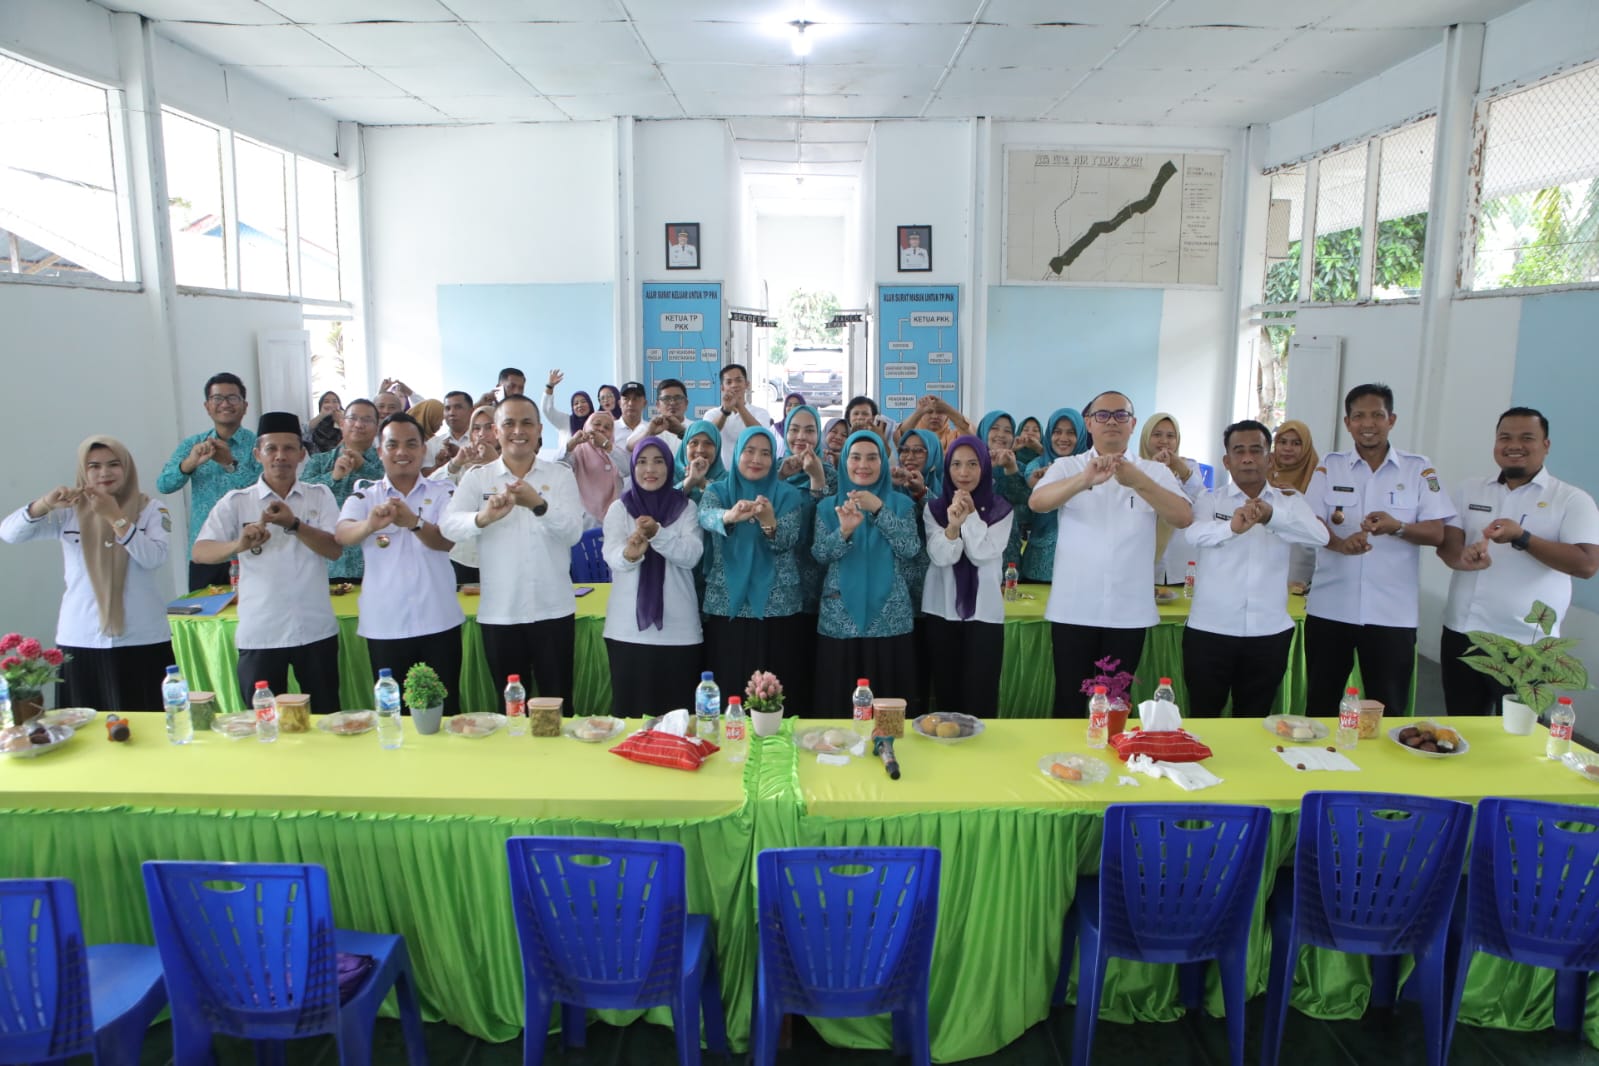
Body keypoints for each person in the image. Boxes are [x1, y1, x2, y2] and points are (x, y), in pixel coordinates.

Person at [1029, 391, 1193, 717]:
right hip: (1073, 607)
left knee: (1116, 702)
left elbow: (1182, 516)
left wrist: (1138, 481)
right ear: (1089, 423)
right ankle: (1066, 764)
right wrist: (1085, 479)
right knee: (1069, 701)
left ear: (1133, 424)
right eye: (1102, 415)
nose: (1112, 422)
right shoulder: (1069, 466)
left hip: (1128, 610)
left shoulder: (1153, 472)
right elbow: (1038, 502)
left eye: (1121, 415)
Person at [1304, 383, 1455, 716]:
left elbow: (1437, 532)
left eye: (1377, 415)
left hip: (1392, 614)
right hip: (1331, 608)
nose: (1367, 423)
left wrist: (1398, 527)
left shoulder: (1419, 469)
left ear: (1392, 420)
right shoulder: (1330, 466)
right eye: (1358, 416)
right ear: (1347, 423)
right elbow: (1310, 521)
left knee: (1389, 710)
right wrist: (1340, 544)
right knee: (1320, 705)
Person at [1437, 407, 1599, 715]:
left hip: (1526, 644)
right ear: (1495, 443)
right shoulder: (1470, 489)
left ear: (1546, 445)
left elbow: (1587, 564)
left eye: (1527, 438)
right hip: (1463, 632)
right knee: (1461, 729)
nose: (1514, 445)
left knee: (1517, 738)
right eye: (1505, 437)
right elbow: (1448, 546)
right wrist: (1462, 557)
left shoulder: (1571, 499)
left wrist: (1522, 537)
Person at [1, 437, 174, 711]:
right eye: (94, 466)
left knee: (147, 727)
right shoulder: (68, 512)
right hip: (82, 636)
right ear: (84, 470)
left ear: (127, 468)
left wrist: (116, 517)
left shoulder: (151, 509)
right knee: (86, 730)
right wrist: (43, 504)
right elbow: (8, 533)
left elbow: (153, 558)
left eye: (113, 464)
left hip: (142, 637)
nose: (104, 473)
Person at [440, 396, 582, 712]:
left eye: (526, 423)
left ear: (539, 429)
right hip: (500, 613)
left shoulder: (559, 476)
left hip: (552, 610)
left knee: (557, 706)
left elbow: (573, 532)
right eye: (509, 423)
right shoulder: (478, 478)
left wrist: (538, 505)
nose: (518, 431)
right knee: (510, 711)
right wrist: (483, 518)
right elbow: (448, 525)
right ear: (495, 431)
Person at [193, 413, 344, 712]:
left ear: (302, 454)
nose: (280, 457)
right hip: (261, 632)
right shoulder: (237, 501)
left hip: (314, 629)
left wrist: (295, 524)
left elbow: (335, 550)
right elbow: (200, 552)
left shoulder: (319, 495)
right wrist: (239, 545)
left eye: (289, 449)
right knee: (263, 725)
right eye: (271, 449)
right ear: (257, 454)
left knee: (326, 718)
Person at [1182, 421, 1328, 717]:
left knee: (1254, 717)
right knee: (1203, 716)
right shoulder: (1210, 499)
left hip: (1268, 632)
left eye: (1256, 450)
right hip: (1210, 630)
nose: (1248, 458)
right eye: (1239, 451)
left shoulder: (1290, 501)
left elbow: (1320, 537)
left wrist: (1272, 517)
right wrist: (1231, 528)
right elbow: (1193, 534)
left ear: (1269, 457)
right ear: (1227, 460)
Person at [336, 413, 464, 713]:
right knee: (394, 715)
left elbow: (448, 540)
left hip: (438, 619)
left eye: (411, 444)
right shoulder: (365, 493)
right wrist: (369, 525)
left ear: (423, 449)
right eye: (392, 445)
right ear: (380, 451)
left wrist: (414, 522)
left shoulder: (443, 491)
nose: (402, 452)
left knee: (444, 711)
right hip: (386, 625)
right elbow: (342, 534)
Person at [813, 431, 922, 712]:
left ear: (883, 464)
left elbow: (911, 548)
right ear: (844, 462)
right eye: (856, 457)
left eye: (873, 458)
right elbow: (820, 555)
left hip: (890, 619)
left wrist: (879, 510)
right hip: (840, 619)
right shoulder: (828, 506)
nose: (864, 464)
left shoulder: (901, 505)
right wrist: (845, 531)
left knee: (888, 704)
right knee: (838, 705)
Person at [698, 427, 807, 707]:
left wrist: (769, 521)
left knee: (777, 690)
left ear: (774, 460)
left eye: (766, 453)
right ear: (737, 454)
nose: (756, 459)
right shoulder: (717, 490)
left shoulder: (788, 496)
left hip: (777, 605)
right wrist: (730, 516)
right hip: (727, 604)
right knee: (730, 685)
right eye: (749, 450)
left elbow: (787, 541)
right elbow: (705, 518)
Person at [602, 438, 705, 715]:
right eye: (642, 461)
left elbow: (691, 555)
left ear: (670, 466)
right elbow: (610, 555)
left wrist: (659, 534)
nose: (651, 469)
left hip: (678, 630)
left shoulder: (685, 508)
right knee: (630, 716)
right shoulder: (619, 509)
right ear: (633, 466)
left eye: (659, 461)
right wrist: (630, 554)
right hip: (626, 630)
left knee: (678, 720)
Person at [923, 436, 1014, 716]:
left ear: (984, 467)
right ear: (947, 468)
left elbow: (981, 552)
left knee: (981, 693)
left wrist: (972, 516)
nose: (964, 473)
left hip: (984, 613)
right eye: (956, 464)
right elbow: (941, 556)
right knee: (946, 692)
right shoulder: (935, 509)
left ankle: (981, 758)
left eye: (973, 464)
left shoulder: (1001, 509)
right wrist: (952, 526)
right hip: (941, 609)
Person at [158, 372, 261, 590]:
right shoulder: (193, 444)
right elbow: (164, 484)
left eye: (233, 398)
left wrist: (229, 464)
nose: (225, 404)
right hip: (205, 552)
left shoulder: (259, 445)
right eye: (217, 399)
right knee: (204, 619)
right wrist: (190, 463)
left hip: (251, 548)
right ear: (207, 406)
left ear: (245, 406)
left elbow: (265, 490)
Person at [778, 402, 834, 715]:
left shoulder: (835, 474)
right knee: (787, 660)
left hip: (819, 581)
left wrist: (818, 482)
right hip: (781, 584)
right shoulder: (773, 469)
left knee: (814, 660)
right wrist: (782, 478)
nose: (802, 437)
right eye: (795, 429)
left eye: (810, 430)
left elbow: (826, 526)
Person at [302, 399, 385, 582]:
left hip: (376, 563)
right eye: (352, 418)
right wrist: (333, 477)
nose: (358, 424)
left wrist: (365, 467)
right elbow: (301, 497)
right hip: (327, 564)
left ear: (377, 427)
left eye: (366, 420)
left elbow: (394, 490)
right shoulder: (319, 462)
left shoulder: (386, 463)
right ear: (341, 423)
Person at [1019, 408, 1087, 584]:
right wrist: (1048, 476)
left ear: (1080, 436)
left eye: (1071, 433)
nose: (1063, 438)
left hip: (1081, 560)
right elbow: (1032, 485)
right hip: (1040, 561)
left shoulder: (1090, 467)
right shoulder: (1037, 465)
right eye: (1057, 432)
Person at [1138, 413, 1206, 585]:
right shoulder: (1135, 469)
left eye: (1170, 436)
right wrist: (1152, 470)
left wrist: (1182, 471)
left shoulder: (1189, 466)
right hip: (1145, 559)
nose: (1164, 441)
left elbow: (1200, 500)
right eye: (1157, 435)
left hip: (1180, 561)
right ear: (1146, 437)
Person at [446, 403, 500, 583]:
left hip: (502, 553)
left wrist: (495, 462)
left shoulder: (514, 460)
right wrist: (456, 463)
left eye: (489, 427)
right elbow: (432, 486)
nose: (482, 434)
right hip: (464, 555)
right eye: (476, 429)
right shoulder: (464, 462)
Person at [1268, 419, 1320, 590]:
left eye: (1296, 443)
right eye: (1283, 442)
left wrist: (1297, 497)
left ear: (1305, 447)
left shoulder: (1317, 474)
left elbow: (1319, 518)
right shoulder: (1263, 469)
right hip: (1264, 554)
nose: (1288, 448)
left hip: (1299, 561)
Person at [978, 410, 1031, 568]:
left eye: (1007, 431)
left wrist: (1011, 470)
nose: (1001, 434)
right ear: (984, 430)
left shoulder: (1020, 467)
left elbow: (1025, 510)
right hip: (975, 547)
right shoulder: (969, 465)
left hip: (1008, 551)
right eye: (994, 428)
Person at [564, 411, 624, 528]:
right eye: (597, 424)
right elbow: (559, 467)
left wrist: (607, 446)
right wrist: (572, 444)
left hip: (613, 520)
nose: (601, 429)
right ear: (587, 427)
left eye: (607, 427)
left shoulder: (614, 451)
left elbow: (626, 469)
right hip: (582, 520)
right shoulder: (577, 451)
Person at [710, 364, 778, 459]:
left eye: (739, 380)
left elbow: (762, 436)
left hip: (751, 471)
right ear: (722, 388)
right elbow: (709, 434)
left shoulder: (761, 413)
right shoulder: (712, 414)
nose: (734, 385)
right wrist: (725, 411)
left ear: (747, 384)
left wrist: (740, 407)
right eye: (729, 382)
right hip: (721, 472)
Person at [628, 377, 689, 453]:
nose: (672, 403)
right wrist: (650, 433)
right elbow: (630, 446)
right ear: (658, 405)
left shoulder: (695, 427)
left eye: (678, 398)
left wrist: (682, 432)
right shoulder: (648, 427)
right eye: (666, 398)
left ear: (686, 403)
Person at [897, 393, 970, 449]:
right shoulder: (913, 437)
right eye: (929, 412)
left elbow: (973, 437)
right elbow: (901, 434)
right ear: (920, 416)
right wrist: (918, 412)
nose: (934, 416)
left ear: (947, 416)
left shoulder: (956, 437)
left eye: (940, 412)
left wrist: (949, 409)